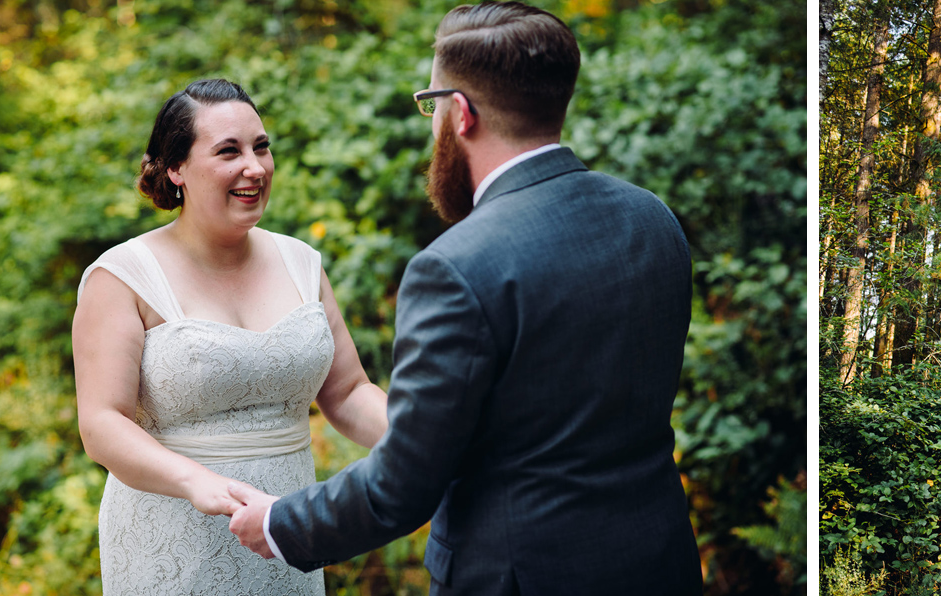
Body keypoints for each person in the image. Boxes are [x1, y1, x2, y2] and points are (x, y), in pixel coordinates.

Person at [222, 3, 702, 594]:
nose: (432, 124)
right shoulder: (651, 219)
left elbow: (404, 485)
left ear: (462, 113)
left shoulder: (455, 268)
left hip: (521, 577)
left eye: (432, 105)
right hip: (661, 560)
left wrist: (278, 522)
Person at [72, 78, 390, 595]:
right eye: (229, 151)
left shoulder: (301, 263)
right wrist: (197, 482)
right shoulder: (122, 276)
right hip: (173, 537)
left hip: (287, 533)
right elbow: (102, 424)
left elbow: (350, 392)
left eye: (261, 147)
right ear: (175, 168)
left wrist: (423, 439)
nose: (255, 167)